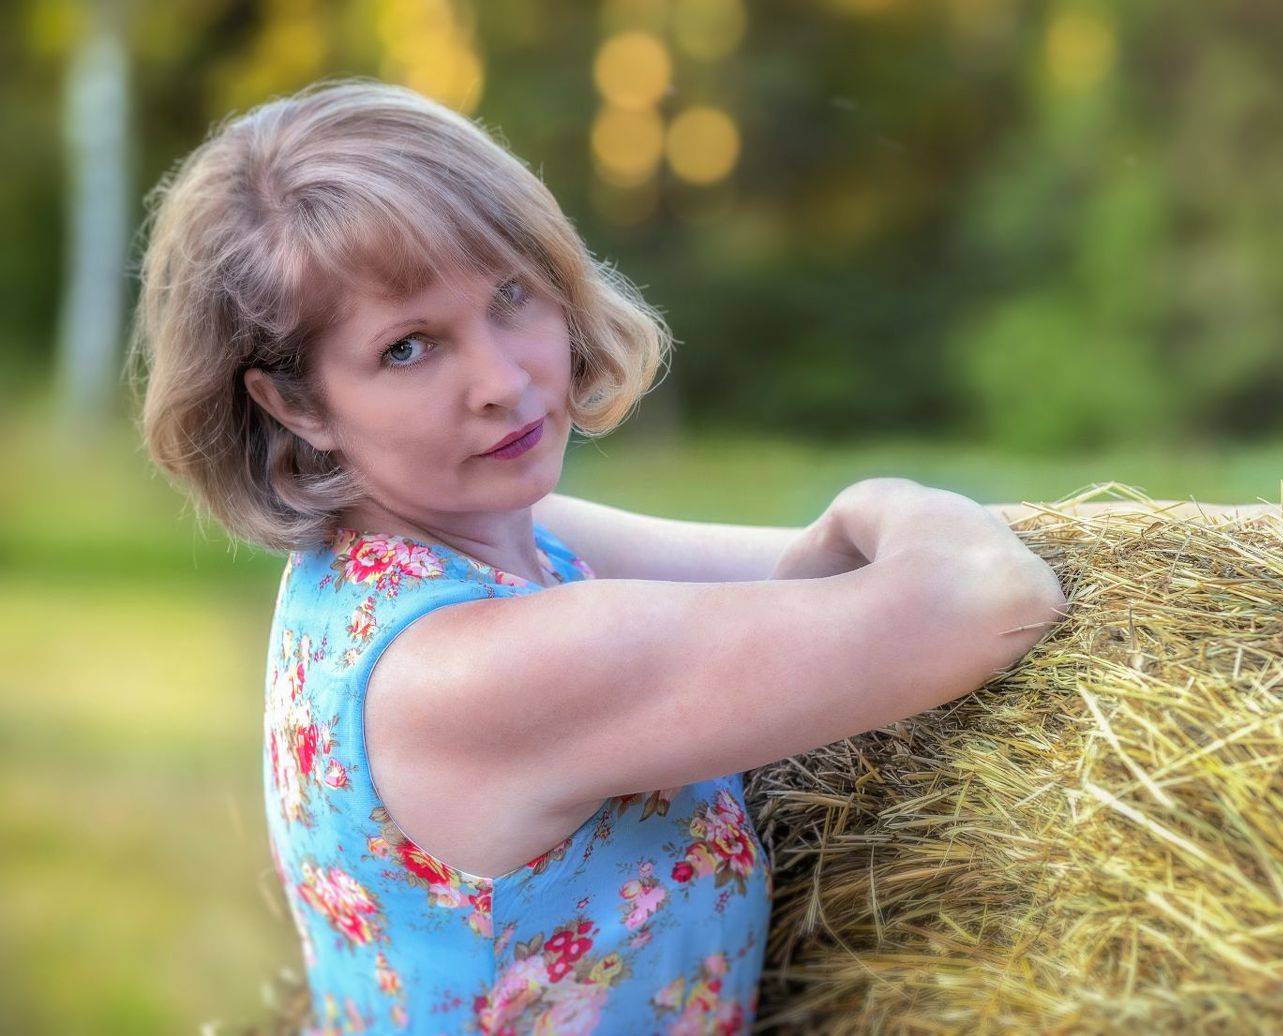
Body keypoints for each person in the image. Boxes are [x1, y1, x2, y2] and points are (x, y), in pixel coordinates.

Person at [125, 77, 1068, 1034]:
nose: (501, 380)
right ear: (297, 404)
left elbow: (818, 585)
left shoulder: (456, 556)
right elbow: (990, 599)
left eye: (511, 295)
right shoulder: (483, 671)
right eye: (409, 348)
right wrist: (883, 497)